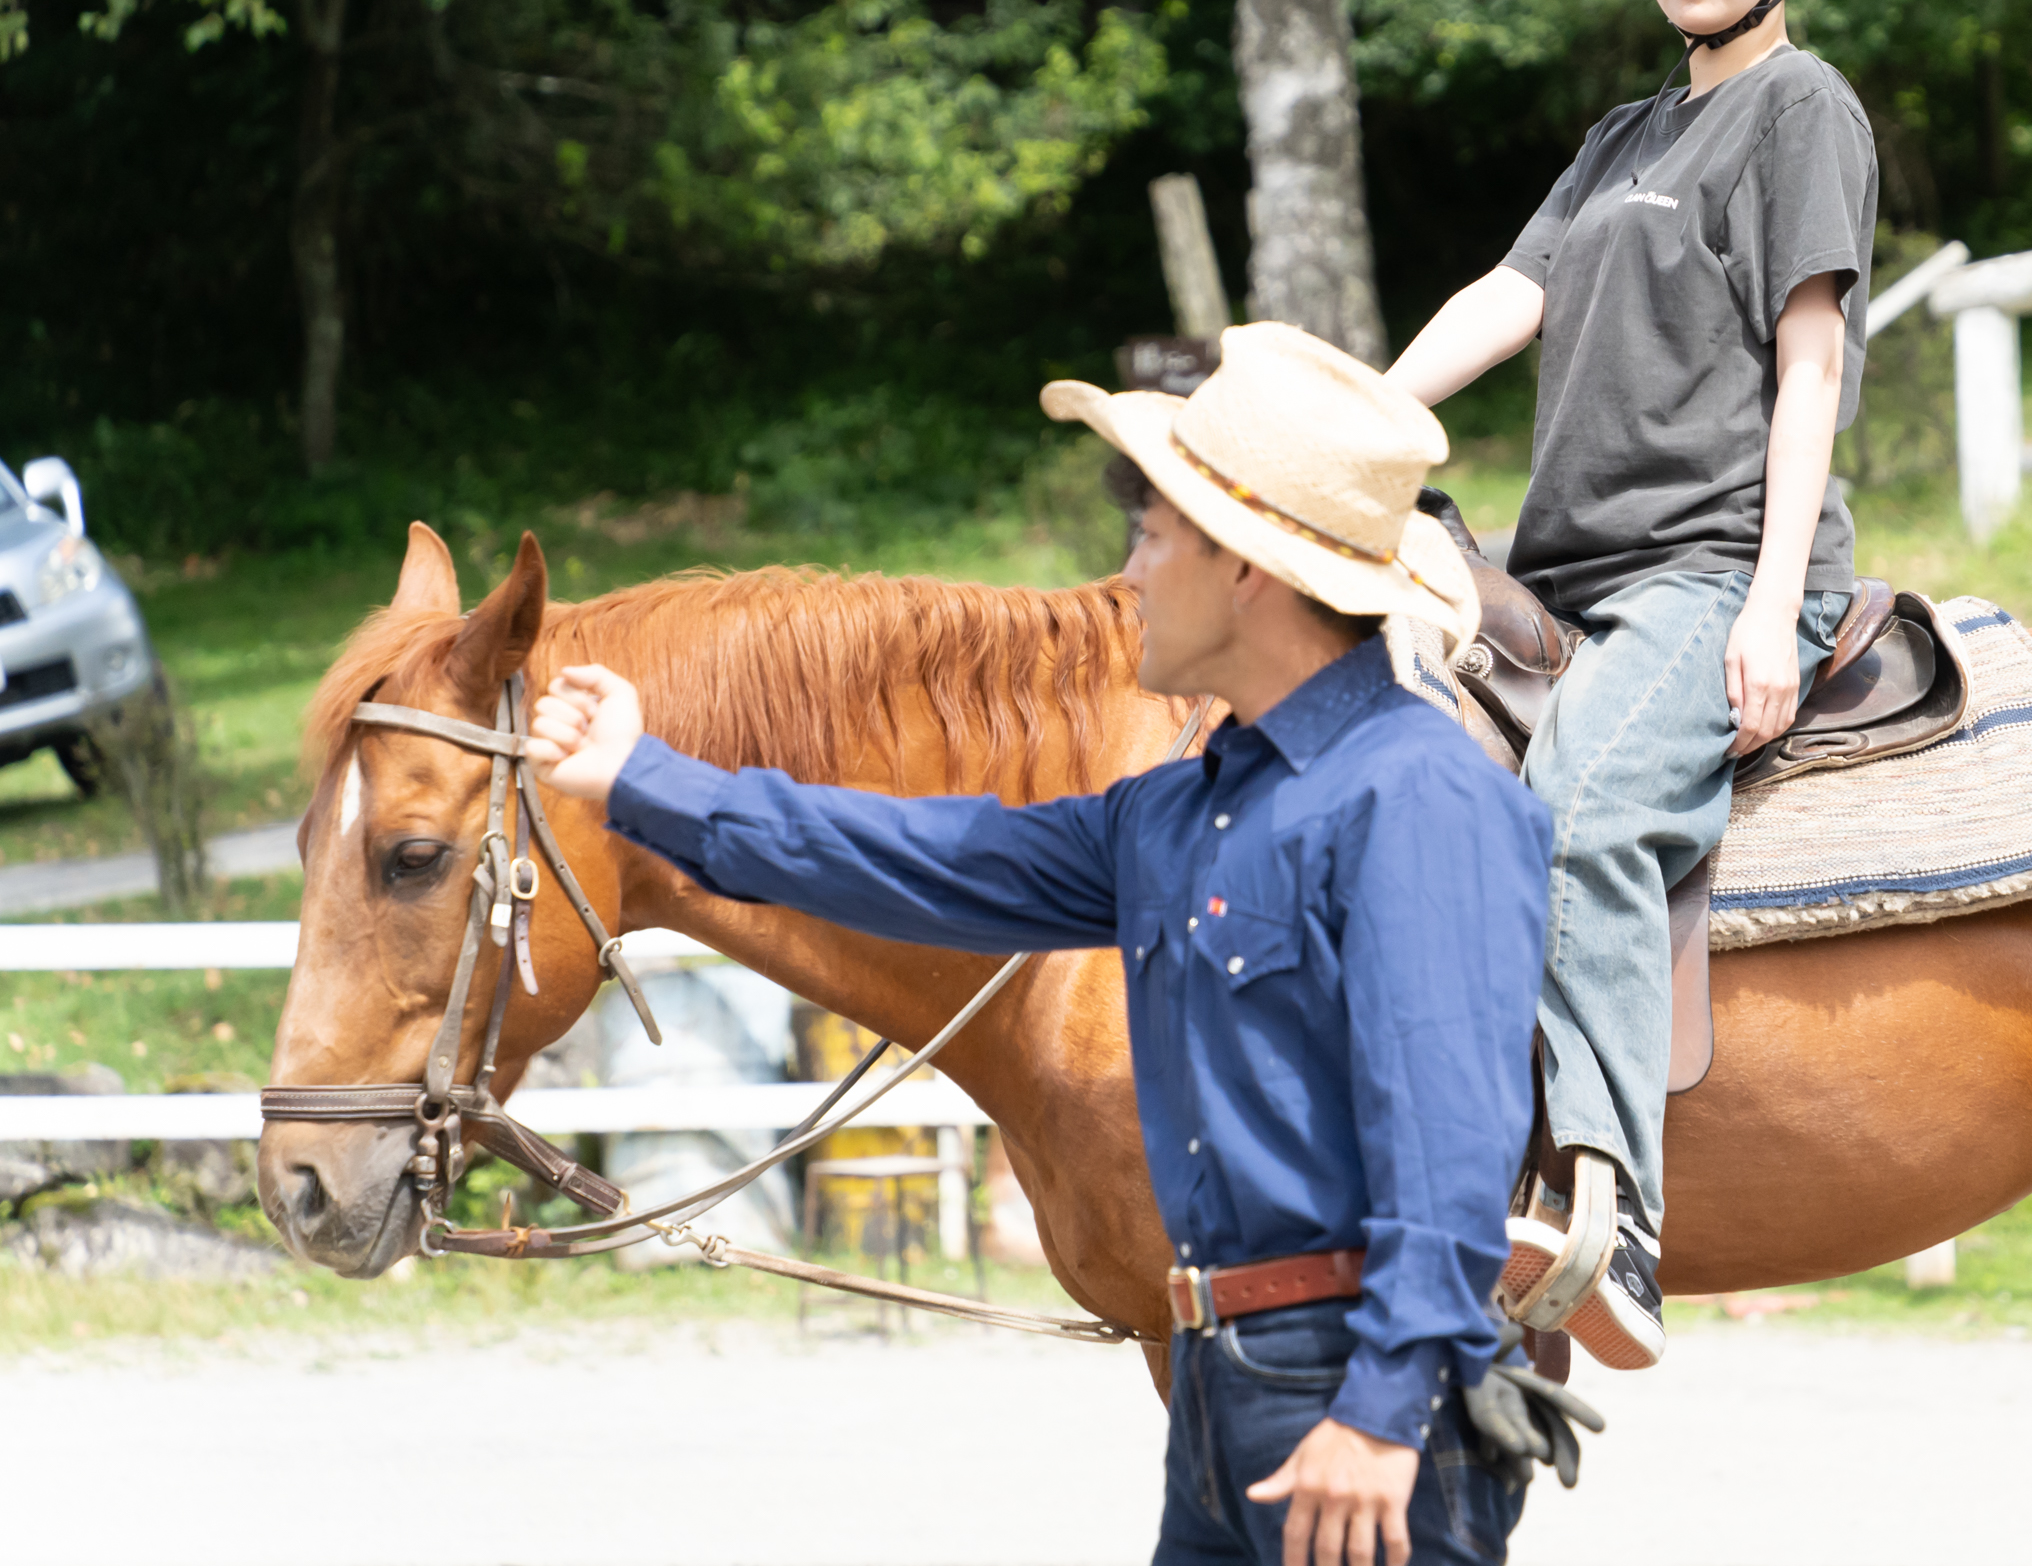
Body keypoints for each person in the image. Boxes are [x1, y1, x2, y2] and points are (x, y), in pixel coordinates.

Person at [527, 324, 1567, 1566]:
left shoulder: (1418, 796)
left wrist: (1384, 1409)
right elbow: (928, 857)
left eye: (1154, 534)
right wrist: (645, 778)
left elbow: (1452, 1142)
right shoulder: (1180, 806)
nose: (1123, 573)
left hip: (1367, 1403)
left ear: (1245, 568)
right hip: (1223, 1385)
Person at [1385, 0, 1879, 1373]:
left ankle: (1612, 1222)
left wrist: (1764, 607)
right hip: (1566, 567)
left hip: (1714, 558)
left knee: (1581, 812)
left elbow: (1812, 368)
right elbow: (1506, 295)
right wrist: (1365, 414)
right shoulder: (1619, 138)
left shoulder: (1801, 111)